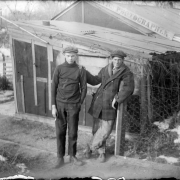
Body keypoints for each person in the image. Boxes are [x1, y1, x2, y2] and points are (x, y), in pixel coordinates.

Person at [85, 49, 134, 163]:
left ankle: (90, 148)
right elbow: (96, 80)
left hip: (109, 104)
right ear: (112, 59)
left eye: (119, 60)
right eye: (115, 59)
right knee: (97, 129)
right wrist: (85, 73)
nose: (117, 62)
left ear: (123, 60)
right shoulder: (106, 68)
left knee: (105, 130)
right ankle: (101, 153)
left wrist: (117, 98)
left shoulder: (126, 72)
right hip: (98, 101)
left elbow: (128, 88)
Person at [51, 46, 87, 168]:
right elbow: (53, 87)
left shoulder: (80, 69)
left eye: (72, 56)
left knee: (72, 133)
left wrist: (79, 103)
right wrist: (53, 106)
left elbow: (84, 88)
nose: (70, 58)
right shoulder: (59, 69)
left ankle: (72, 156)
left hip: (73, 106)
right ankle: (60, 158)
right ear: (64, 56)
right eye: (68, 56)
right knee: (60, 132)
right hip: (60, 105)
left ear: (76, 56)